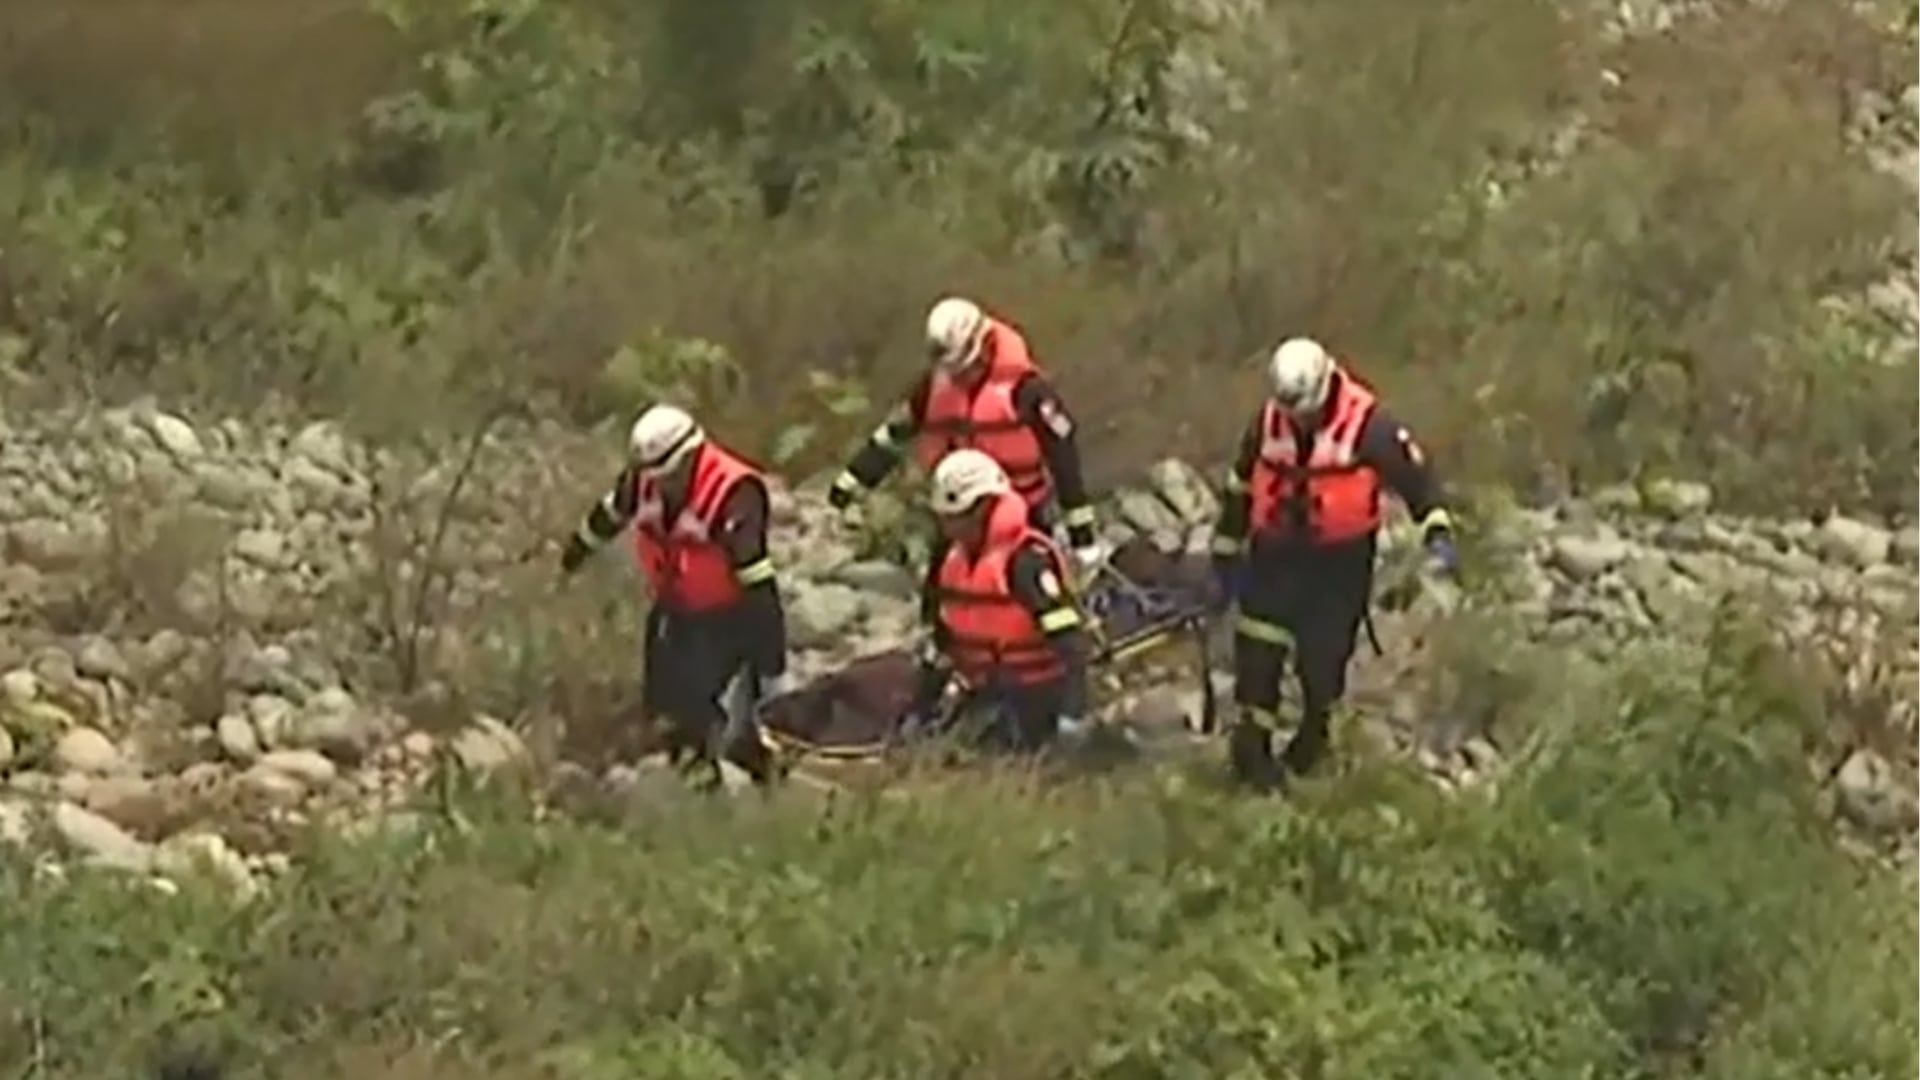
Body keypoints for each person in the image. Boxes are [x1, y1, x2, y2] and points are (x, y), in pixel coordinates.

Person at [1209, 337, 1460, 790]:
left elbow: (1415, 479)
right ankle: (1252, 749)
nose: (1298, 418)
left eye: (1304, 408)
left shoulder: (1369, 424)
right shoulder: (1268, 422)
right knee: (1257, 649)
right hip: (1275, 551)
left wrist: (1436, 530)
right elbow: (1241, 482)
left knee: (1322, 661)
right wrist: (1226, 547)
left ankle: (1314, 739)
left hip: (1337, 562)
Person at [557, 404, 790, 785]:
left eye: (668, 474)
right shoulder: (642, 480)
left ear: (689, 456)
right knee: (665, 709)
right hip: (674, 609)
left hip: (729, 618)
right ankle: (686, 774)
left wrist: (771, 666)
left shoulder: (734, 493)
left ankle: (747, 778)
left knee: (717, 716)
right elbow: (604, 519)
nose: (660, 484)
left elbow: (759, 585)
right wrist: (570, 559)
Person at [827, 296, 1103, 574]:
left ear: (983, 349)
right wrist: (851, 481)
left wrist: (1082, 536)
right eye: (953, 371)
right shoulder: (936, 387)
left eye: (966, 368)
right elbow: (895, 434)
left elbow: (1063, 456)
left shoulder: (1027, 391)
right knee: (946, 597)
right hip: (958, 517)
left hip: (1022, 512)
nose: (960, 377)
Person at [902, 448, 1093, 752]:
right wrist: (919, 707)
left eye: (955, 517)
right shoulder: (954, 563)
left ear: (983, 507)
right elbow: (942, 645)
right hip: (986, 692)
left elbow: (1072, 645)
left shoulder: (1026, 561)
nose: (947, 527)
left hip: (1039, 695)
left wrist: (1072, 716)